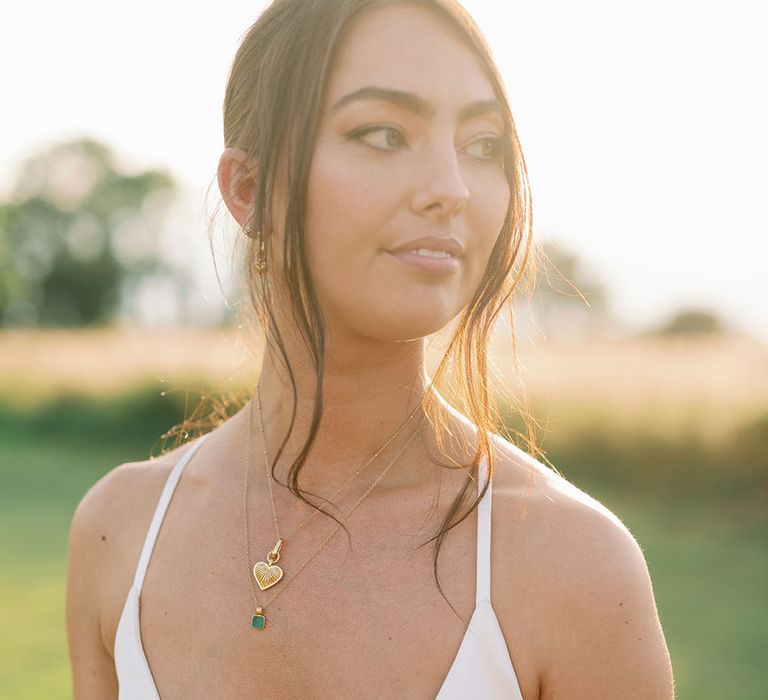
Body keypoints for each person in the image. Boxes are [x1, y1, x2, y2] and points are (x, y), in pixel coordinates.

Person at [65, 0, 675, 698]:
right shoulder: (119, 533)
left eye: (483, 146)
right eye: (384, 133)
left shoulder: (575, 566)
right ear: (249, 189)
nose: (450, 188)